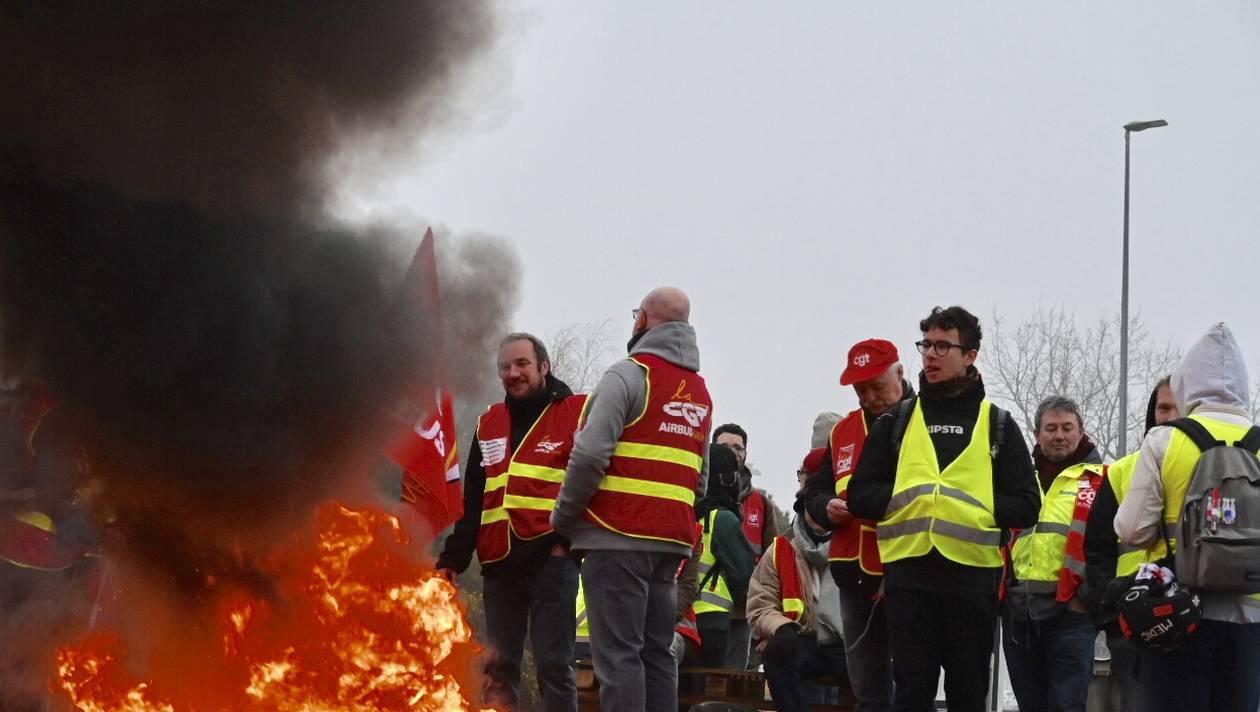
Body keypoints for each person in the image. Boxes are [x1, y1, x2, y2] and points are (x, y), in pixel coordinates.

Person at [847, 305, 1040, 712]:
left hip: (973, 581)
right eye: (926, 345)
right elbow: (859, 496)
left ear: (969, 355)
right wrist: (909, 501)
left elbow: (1027, 505)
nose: (930, 355)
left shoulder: (998, 424)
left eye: (942, 346)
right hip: (908, 576)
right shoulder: (895, 422)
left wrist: (974, 508)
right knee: (912, 692)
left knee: (968, 694)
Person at [551, 286, 712, 712]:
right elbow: (701, 480)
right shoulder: (699, 391)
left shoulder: (628, 374)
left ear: (642, 320)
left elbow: (587, 455)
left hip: (616, 539)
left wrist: (564, 518)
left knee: (618, 657)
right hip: (668, 548)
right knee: (656, 654)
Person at [435, 333, 585, 712]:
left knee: (555, 665)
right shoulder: (489, 422)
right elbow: (473, 498)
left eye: (522, 364)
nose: (513, 373)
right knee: (500, 668)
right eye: (505, 366)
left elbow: (594, 481)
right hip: (499, 563)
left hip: (552, 560)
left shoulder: (576, 412)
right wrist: (454, 558)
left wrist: (567, 542)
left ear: (544, 367)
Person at [1115, 323, 1260, 712]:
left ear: (1187, 384)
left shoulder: (1165, 440)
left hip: (1179, 616)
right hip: (1251, 620)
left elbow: (1132, 529)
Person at [800, 338, 912, 712]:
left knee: (914, 685)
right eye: (860, 389)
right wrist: (824, 505)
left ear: (900, 372)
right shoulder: (843, 431)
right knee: (866, 688)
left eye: (876, 386)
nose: (868, 397)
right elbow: (815, 488)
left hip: (911, 568)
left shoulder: (925, 421)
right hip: (854, 573)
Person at [1002, 396, 1104, 712]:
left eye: (1066, 428)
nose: (1058, 435)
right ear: (1036, 434)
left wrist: (1084, 600)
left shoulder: (1103, 479)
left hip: (1072, 616)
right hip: (1019, 614)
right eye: (1050, 428)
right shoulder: (1018, 479)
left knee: (1066, 706)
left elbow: (1110, 547)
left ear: (1081, 431)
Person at [1083, 377, 1177, 712]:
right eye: (1162, 408)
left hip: (1195, 622)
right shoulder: (1122, 471)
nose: (1168, 416)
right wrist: (1108, 609)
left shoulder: (1213, 466)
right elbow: (1097, 549)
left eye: (1177, 407)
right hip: (1133, 625)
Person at [749, 447, 848, 712]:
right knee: (778, 656)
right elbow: (760, 606)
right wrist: (781, 628)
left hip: (848, 646)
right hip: (803, 642)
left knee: (888, 671)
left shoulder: (856, 546)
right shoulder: (781, 549)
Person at [711, 422, 778, 669]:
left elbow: (774, 560)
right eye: (725, 447)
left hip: (742, 612)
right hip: (700, 609)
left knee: (735, 682)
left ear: (746, 454)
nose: (732, 452)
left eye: (738, 448)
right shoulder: (696, 497)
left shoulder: (761, 504)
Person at [692, 443, 756, 666]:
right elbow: (745, 576)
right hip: (713, 622)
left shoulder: (689, 513)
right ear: (727, 479)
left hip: (678, 620)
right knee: (707, 695)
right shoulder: (722, 519)